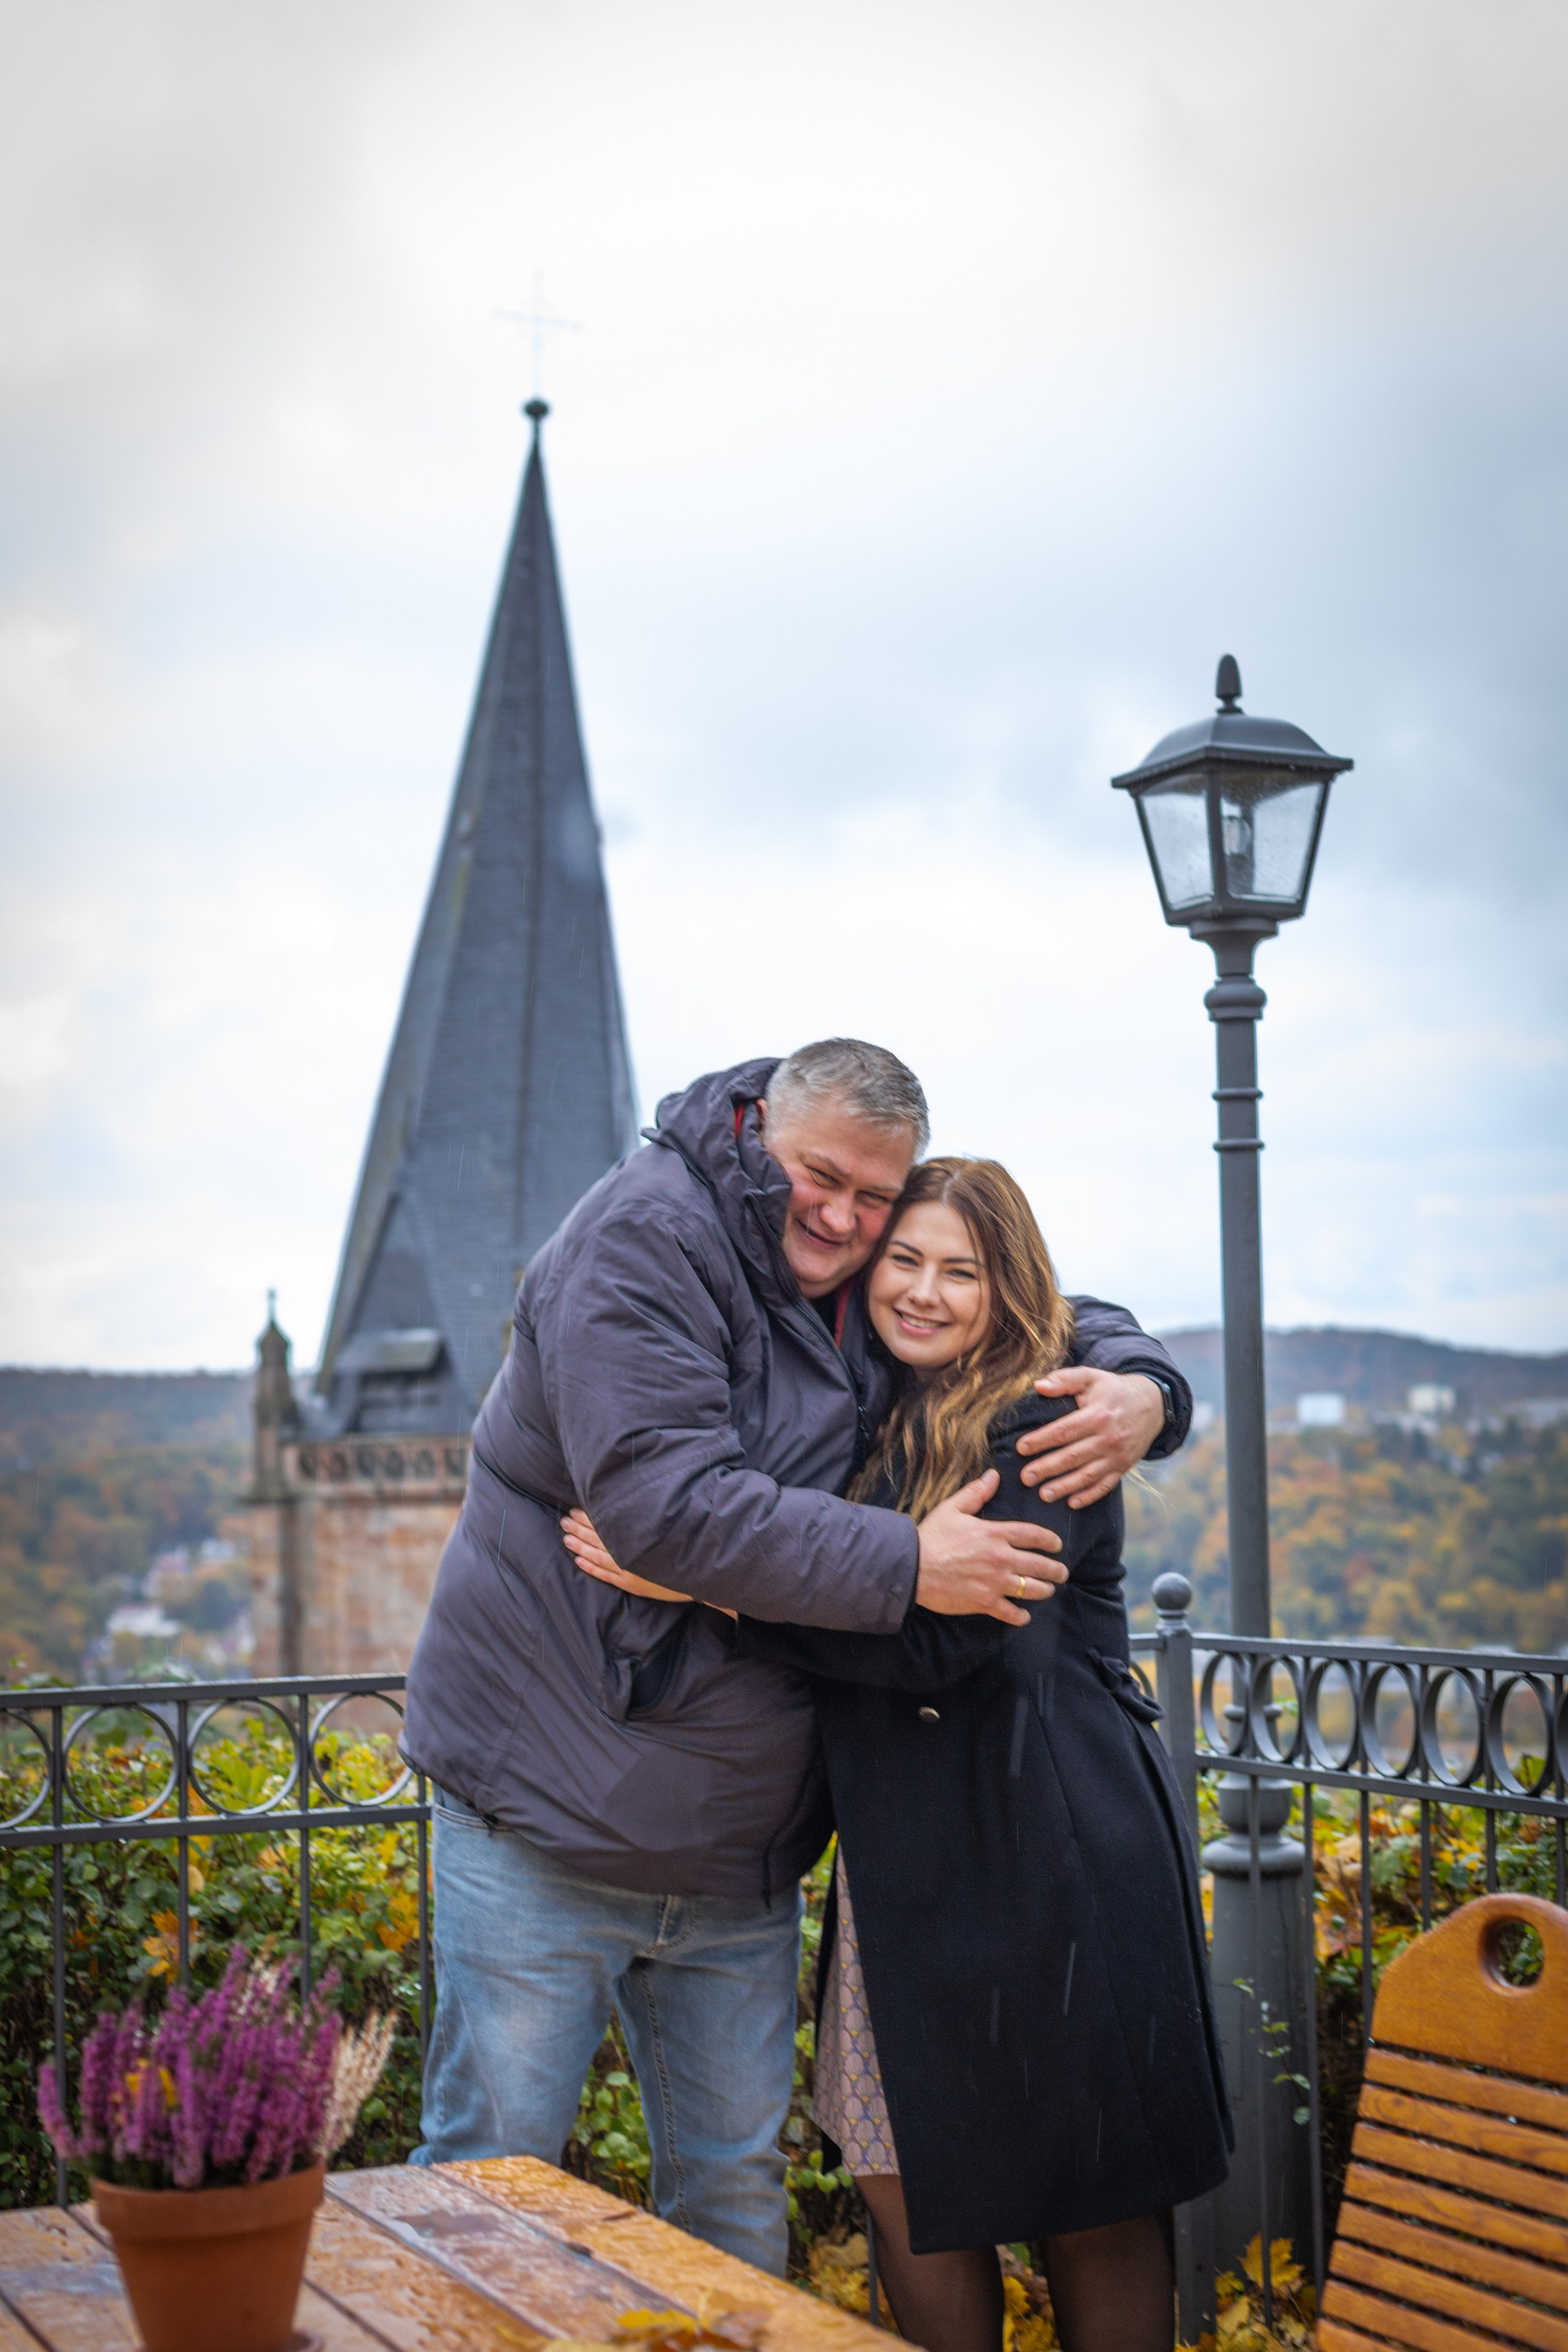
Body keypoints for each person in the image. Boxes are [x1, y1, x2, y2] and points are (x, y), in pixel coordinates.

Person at [402, 1040, 1193, 2275]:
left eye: (873, 1198)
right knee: (491, 2183)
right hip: (551, 1817)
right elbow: (668, 1510)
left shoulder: (848, 1249)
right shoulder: (643, 1241)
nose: (843, 1217)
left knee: (730, 2191)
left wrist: (1147, 1388)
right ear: (756, 1135)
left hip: (743, 1849)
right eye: (821, 1179)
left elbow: (1013, 1286)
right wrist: (906, 1560)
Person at [567, 1156, 1229, 2352]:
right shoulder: (875, 1397)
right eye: (904, 1261)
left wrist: (708, 1586)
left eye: (959, 1271)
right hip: (909, 1864)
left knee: (1092, 2202)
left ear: (1005, 1284)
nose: (922, 1291)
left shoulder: (1047, 1418)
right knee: (902, 2184)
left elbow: (935, 1644)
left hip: (1047, 1859)